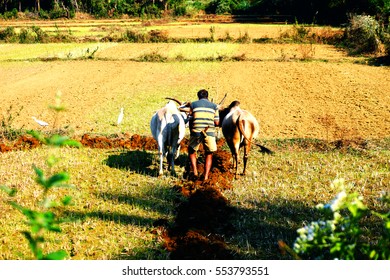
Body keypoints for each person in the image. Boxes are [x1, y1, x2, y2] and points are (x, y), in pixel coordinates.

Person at [188, 89, 220, 181]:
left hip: (196, 132)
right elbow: (217, 122)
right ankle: (205, 177)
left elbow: (190, 119)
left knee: (191, 151)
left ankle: (195, 172)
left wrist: (192, 131)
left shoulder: (193, 104)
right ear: (207, 97)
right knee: (209, 153)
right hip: (209, 132)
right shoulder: (214, 106)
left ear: (198, 97)